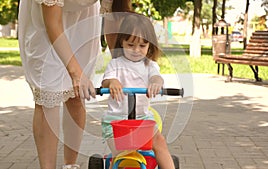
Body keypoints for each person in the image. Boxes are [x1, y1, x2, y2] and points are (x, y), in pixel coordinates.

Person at [18, 0, 104, 169]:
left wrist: (120, 65)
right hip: (46, 21)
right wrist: (76, 73)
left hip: (83, 21)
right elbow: (53, 23)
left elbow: (116, 11)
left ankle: (70, 165)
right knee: (48, 95)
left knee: (76, 96)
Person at [101, 13, 175, 169]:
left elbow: (156, 77)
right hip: (116, 122)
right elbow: (106, 81)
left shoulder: (150, 65)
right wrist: (112, 82)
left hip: (142, 119)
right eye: (130, 45)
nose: (136, 50)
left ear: (149, 46)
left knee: (160, 142)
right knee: (122, 154)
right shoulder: (115, 64)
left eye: (142, 46)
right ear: (122, 42)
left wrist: (156, 83)